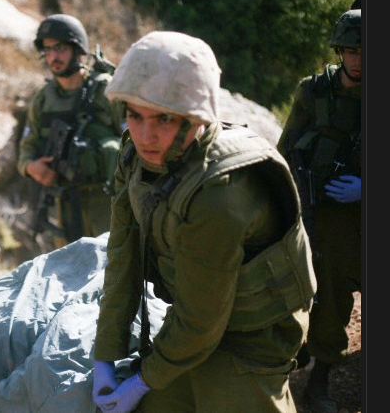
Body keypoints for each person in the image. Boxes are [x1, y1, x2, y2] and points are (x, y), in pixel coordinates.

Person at [92, 31, 316, 413]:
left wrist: (144, 380)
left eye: (164, 118)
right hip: (192, 317)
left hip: (254, 335)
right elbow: (123, 258)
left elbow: (201, 322)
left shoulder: (221, 192)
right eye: (135, 115)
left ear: (197, 116)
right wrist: (105, 355)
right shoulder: (135, 158)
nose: (145, 135)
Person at [277, 8, 362, 413]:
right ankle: (319, 376)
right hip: (323, 213)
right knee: (326, 292)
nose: (358, 59)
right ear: (339, 51)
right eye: (351, 50)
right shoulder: (313, 92)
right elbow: (286, 150)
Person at [17, 13, 123, 247]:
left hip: (107, 200)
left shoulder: (104, 90)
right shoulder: (43, 100)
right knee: (68, 267)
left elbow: (134, 139)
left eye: (60, 48)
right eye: (48, 50)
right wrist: (32, 167)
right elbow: (26, 149)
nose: (53, 56)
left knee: (112, 262)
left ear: (77, 50)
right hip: (64, 200)